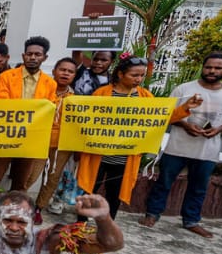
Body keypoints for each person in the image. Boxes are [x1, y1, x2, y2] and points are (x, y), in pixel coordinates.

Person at [76, 55, 199, 219]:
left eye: (141, 75)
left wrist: (184, 108)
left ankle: (108, 225)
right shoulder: (102, 93)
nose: (138, 79)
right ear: (120, 74)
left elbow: (160, 117)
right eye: (134, 75)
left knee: (115, 193)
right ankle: (80, 224)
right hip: (98, 154)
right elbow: (86, 118)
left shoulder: (145, 97)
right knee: (89, 189)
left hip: (125, 156)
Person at [140, 52, 222, 238]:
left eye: (217, 68)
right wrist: (185, 124)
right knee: (164, 182)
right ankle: (152, 214)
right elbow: (167, 114)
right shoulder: (183, 89)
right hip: (177, 146)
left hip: (208, 150)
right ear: (203, 66)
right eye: (208, 67)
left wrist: (219, 129)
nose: (212, 71)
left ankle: (191, 220)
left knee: (198, 187)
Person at [0, 36, 57, 191]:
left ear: (44, 57)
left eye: (37, 55)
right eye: (29, 54)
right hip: (6, 133)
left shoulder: (50, 84)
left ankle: (14, 212)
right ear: (23, 56)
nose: (33, 57)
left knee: (21, 180)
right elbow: (3, 104)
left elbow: (49, 110)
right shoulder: (7, 77)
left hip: (31, 138)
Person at [32, 58, 78, 222]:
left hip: (61, 145)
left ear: (74, 75)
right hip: (37, 139)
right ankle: (20, 204)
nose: (65, 73)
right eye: (62, 69)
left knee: (52, 178)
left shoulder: (75, 99)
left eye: (70, 71)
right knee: (31, 175)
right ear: (54, 71)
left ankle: (39, 208)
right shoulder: (42, 90)